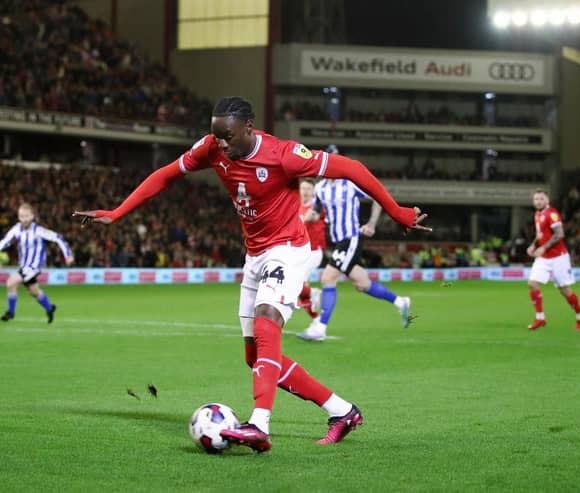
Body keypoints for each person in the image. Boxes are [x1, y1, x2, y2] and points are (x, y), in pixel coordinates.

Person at [74, 97, 427, 453]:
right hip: (255, 254)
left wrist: (397, 212)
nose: (221, 144)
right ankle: (343, 412)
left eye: (227, 136)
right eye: (216, 136)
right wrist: (117, 212)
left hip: (288, 249)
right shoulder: (213, 147)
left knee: (267, 322)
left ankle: (259, 424)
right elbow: (166, 174)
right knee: (254, 358)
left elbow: (352, 168)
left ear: (248, 127)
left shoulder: (283, 154)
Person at [298, 145, 412, 342]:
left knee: (327, 278)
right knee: (362, 283)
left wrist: (372, 223)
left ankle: (320, 326)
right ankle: (400, 302)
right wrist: (304, 219)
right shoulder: (321, 188)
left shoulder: (350, 184)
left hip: (350, 238)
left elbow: (378, 196)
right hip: (339, 241)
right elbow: (316, 211)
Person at [0, 203, 74, 323]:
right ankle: (49, 308)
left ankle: (11, 312)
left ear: (32, 216)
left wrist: (68, 255)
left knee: (11, 282)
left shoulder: (39, 231)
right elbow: (4, 242)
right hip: (24, 266)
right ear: (18, 217)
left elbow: (58, 238)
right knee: (34, 291)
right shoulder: (16, 229)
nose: (24, 219)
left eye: (26, 216)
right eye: (21, 216)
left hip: (34, 267)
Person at [527, 189, 580, 331]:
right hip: (544, 258)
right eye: (536, 199)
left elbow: (560, 234)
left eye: (541, 199)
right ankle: (540, 318)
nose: (538, 201)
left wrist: (544, 247)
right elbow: (540, 234)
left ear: (547, 200)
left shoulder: (552, 214)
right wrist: (533, 245)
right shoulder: (537, 215)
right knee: (532, 283)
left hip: (558, 257)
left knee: (564, 290)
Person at [296, 178, 326, 321]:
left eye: (309, 189)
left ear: (314, 191)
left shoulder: (316, 206)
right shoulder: (296, 206)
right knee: (301, 294)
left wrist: (303, 219)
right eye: (303, 188)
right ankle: (316, 320)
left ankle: (312, 292)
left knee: (295, 283)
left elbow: (314, 217)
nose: (306, 192)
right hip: (299, 252)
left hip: (313, 252)